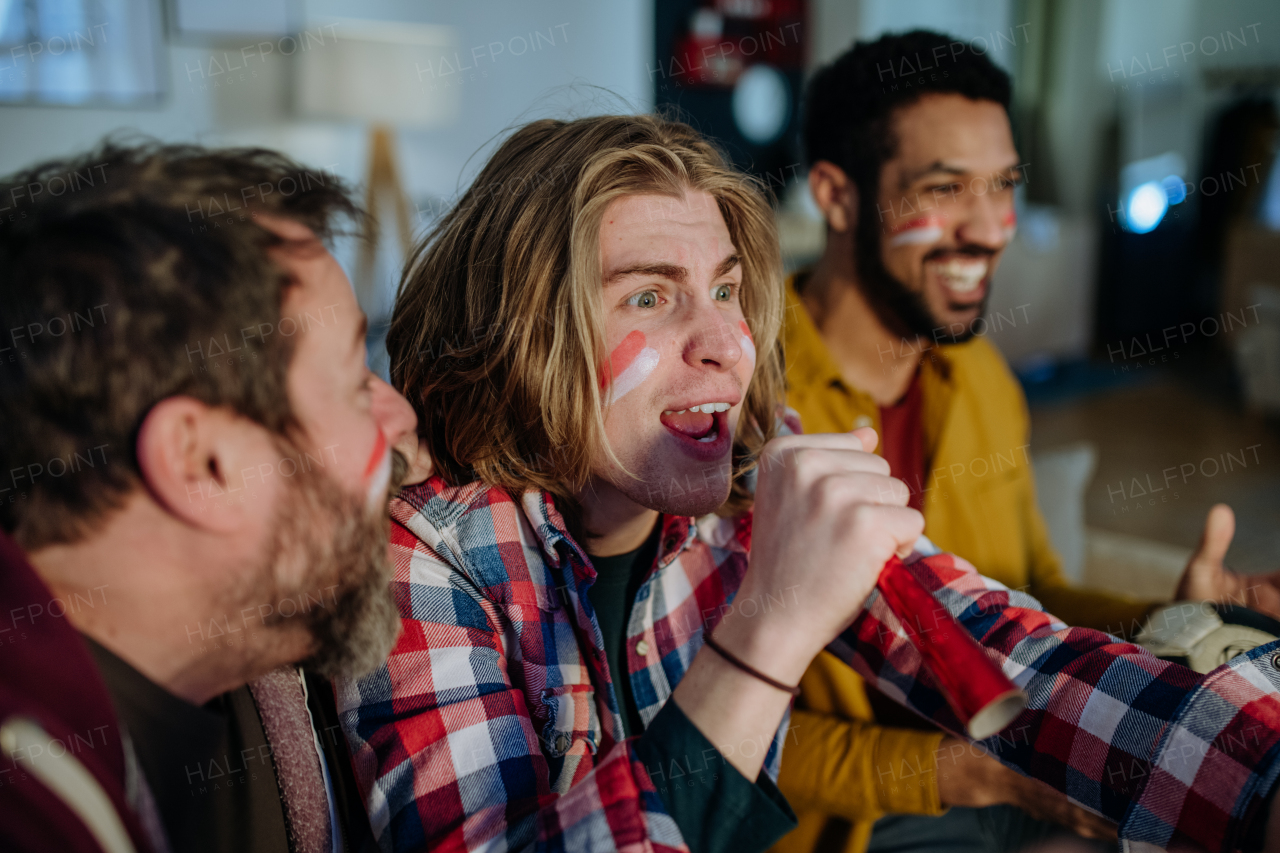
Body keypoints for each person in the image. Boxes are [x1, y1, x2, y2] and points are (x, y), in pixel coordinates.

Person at [335, 112, 1280, 853]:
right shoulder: (424, 557)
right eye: (650, 296)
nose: (725, 343)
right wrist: (770, 626)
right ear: (525, 332)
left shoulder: (760, 462)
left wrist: (1262, 774)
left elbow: (1012, 652)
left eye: (728, 287)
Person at [775, 30, 1280, 853]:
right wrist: (967, 772)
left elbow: (1033, 586)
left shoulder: (980, 379)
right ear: (836, 196)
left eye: (1003, 186)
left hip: (1015, 762)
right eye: (946, 188)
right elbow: (701, 725)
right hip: (854, 817)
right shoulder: (745, 405)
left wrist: (1177, 619)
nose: (993, 228)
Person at [0, 141, 418, 853]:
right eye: (354, 384)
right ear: (204, 463)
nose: (401, 421)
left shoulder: (261, 678)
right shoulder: (29, 815)